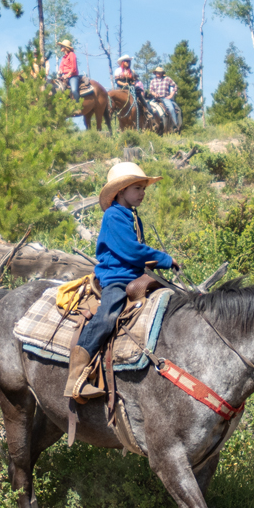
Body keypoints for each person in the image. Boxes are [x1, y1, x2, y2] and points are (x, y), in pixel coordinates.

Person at [64, 162, 178, 401]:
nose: (142, 193)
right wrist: (164, 258)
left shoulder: (132, 216)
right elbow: (131, 250)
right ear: (120, 192)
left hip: (135, 276)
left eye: (143, 188)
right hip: (117, 277)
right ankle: (75, 378)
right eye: (137, 188)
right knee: (107, 317)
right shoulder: (114, 215)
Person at [147, 65, 180, 129]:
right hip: (155, 98)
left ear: (162, 73)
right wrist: (154, 94)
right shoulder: (153, 81)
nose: (158, 73)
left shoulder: (167, 79)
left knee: (171, 109)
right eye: (157, 72)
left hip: (165, 98)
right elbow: (151, 90)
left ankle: (174, 126)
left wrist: (171, 95)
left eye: (159, 72)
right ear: (155, 73)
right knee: (147, 107)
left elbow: (175, 86)